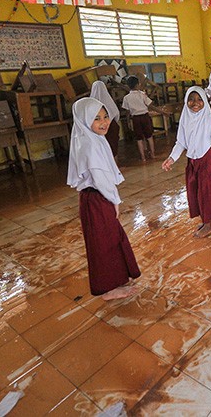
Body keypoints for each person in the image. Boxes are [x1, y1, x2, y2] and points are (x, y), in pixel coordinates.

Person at [67, 97, 140, 301]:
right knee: (103, 244)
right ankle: (107, 289)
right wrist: (115, 200)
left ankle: (115, 280)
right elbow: (101, 179)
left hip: (96, 199)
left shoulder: (91, 138)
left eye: (106, 116)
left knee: (110, 240)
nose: (104, 122)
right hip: (98, 200)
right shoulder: (89, 145)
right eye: (96, 118)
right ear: (84, 120)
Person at [161, 87, 211, 238]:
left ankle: (209, 225)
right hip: (192, 161)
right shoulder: (185, 117)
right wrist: (171, 158)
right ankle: (204, 220)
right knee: (195, 191)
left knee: (206, 192)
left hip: (207, 160)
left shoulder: (209, 119)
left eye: (199, 99)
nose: (195, 103)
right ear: (186, 101)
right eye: (191, 99)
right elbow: (181, 142)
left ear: (204, 101)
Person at [122, 75, 165, 162]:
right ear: (138, 85)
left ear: (128, 86)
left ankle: (143, 158)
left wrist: (128, 122)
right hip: (145, 117)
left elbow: (127, 111)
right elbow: (150, 105)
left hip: (135, 119)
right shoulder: (142, 94)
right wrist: (162, 112)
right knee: (149, 136)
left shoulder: (126, 98)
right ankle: (152, 154)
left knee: (139, 139)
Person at [90, 80, 121, 159]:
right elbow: (116, 113)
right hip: (111, 125)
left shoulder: (91, 103)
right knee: (113, 147)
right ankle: (115, 167)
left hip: (99, 128)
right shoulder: (108, 101)